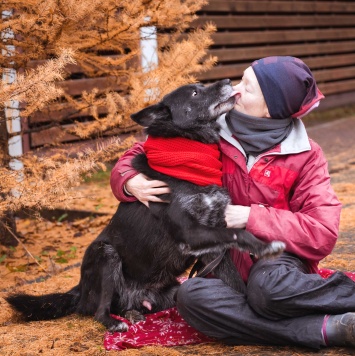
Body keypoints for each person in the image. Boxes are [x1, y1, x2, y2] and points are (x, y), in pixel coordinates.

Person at [110, 56, 355, 349]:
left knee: (267, 289)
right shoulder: (211, 130)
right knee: (192, 298)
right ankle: (332, 329)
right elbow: (144, 149)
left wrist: (249, 217)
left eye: (247, 87)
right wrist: (127, 179)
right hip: (224, 264)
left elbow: (322, 233)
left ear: (269, 110)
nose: (235, 89)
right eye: (242, 78)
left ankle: (323, 320)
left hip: (276, 260)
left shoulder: (306, 155)